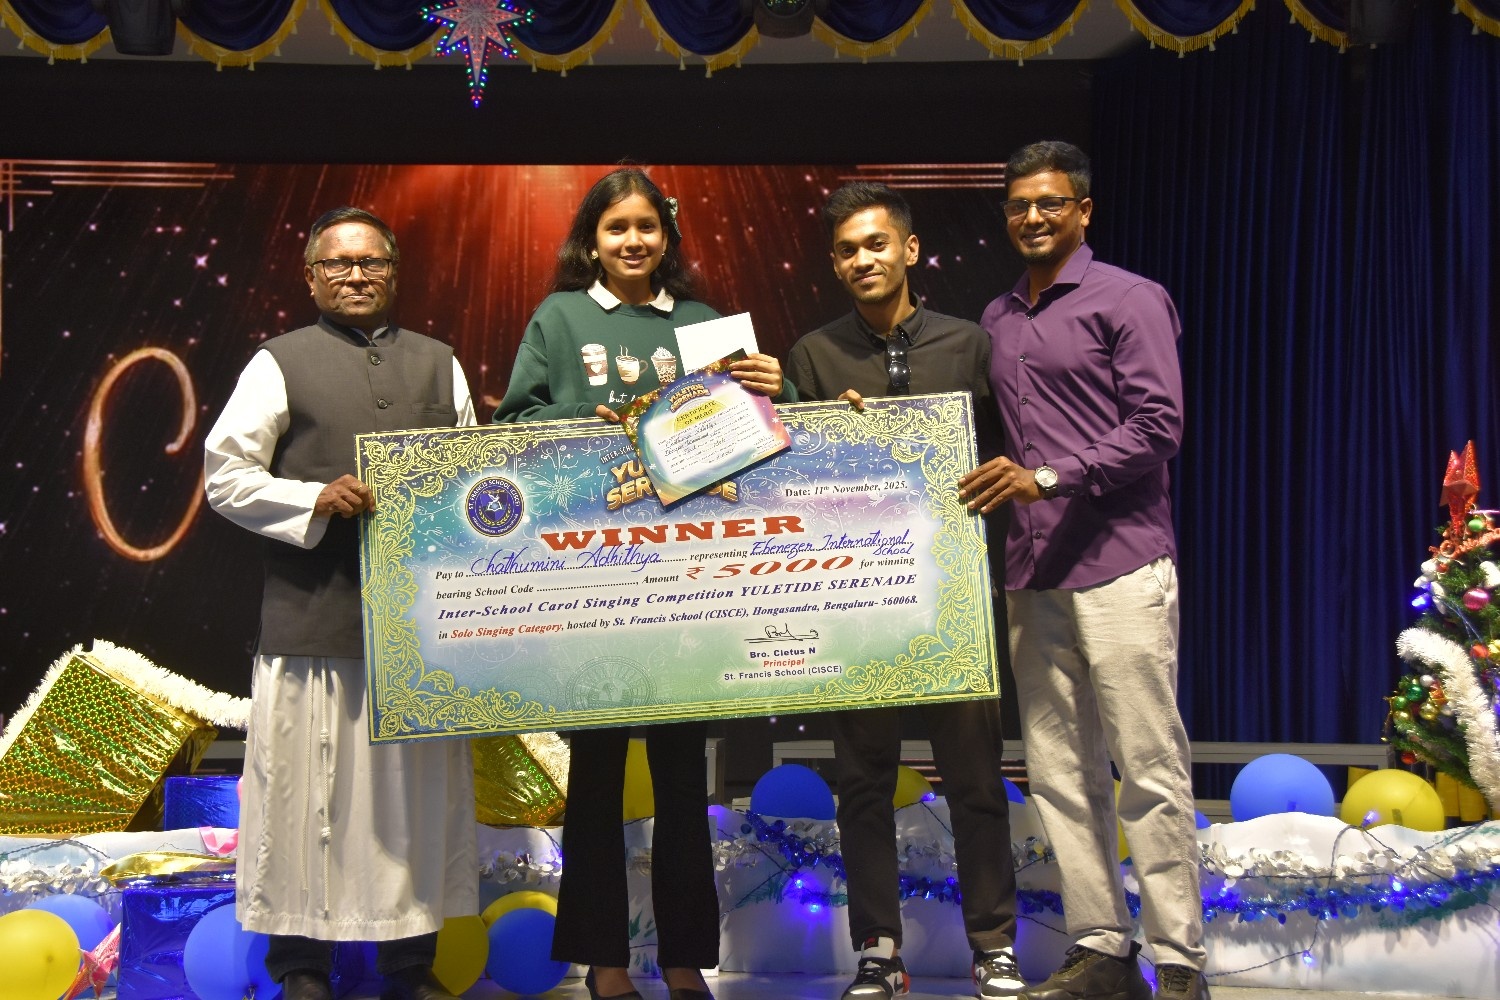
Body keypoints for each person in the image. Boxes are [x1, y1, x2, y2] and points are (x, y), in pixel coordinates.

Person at [493, 167, 790, 1000]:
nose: (633, 241)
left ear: (668, 236)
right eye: (616, 227)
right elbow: (512, 422)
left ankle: (685, 959)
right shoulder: (560, 318)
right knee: (593, 779)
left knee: (683, 779)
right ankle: (605, 962)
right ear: (591, 241)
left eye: (647, 227)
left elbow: (765, 432)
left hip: (685, 581)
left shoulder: (701, 324)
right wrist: (580, 423)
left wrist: (782, 387)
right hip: (589, 580)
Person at [204, 207, 478, 1000]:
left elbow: (473, 478)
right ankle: (300, 965)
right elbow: (226, 477)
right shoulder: (277, 362)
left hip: (418, 633)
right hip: (313, 620)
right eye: (338, 264)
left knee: (414, 805)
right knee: (303, 803)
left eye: (372, 262)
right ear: (311, 276)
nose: (356, 276)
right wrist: (313, 499)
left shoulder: (440, 364)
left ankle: (409, 965)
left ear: (395, 271)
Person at [958, 141, 1209, 1000]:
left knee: (1148, 767)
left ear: (1084, 211)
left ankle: (1179, 960)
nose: (1033, 217)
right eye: (1019, 205)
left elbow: (1159, 425)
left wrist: (1052, 478)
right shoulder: (997, 317)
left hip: (1120, 561)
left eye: (1051, 203)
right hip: (1033, 572)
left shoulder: (1129, 298)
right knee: (1061, 775)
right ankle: (1101, 946)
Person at [786, 182, 1024, 1000]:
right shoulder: (813, 357)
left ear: (910, 249)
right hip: (857, 605)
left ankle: (994, 943)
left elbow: (1006, 454)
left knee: (976, 778)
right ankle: (877, 949)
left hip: (954, 598)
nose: (863, 260)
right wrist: (838, 439)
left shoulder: (970, 344)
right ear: (835, 264)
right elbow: (794, 482)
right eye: (847, 250)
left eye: (877, 244)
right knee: (863, 782)